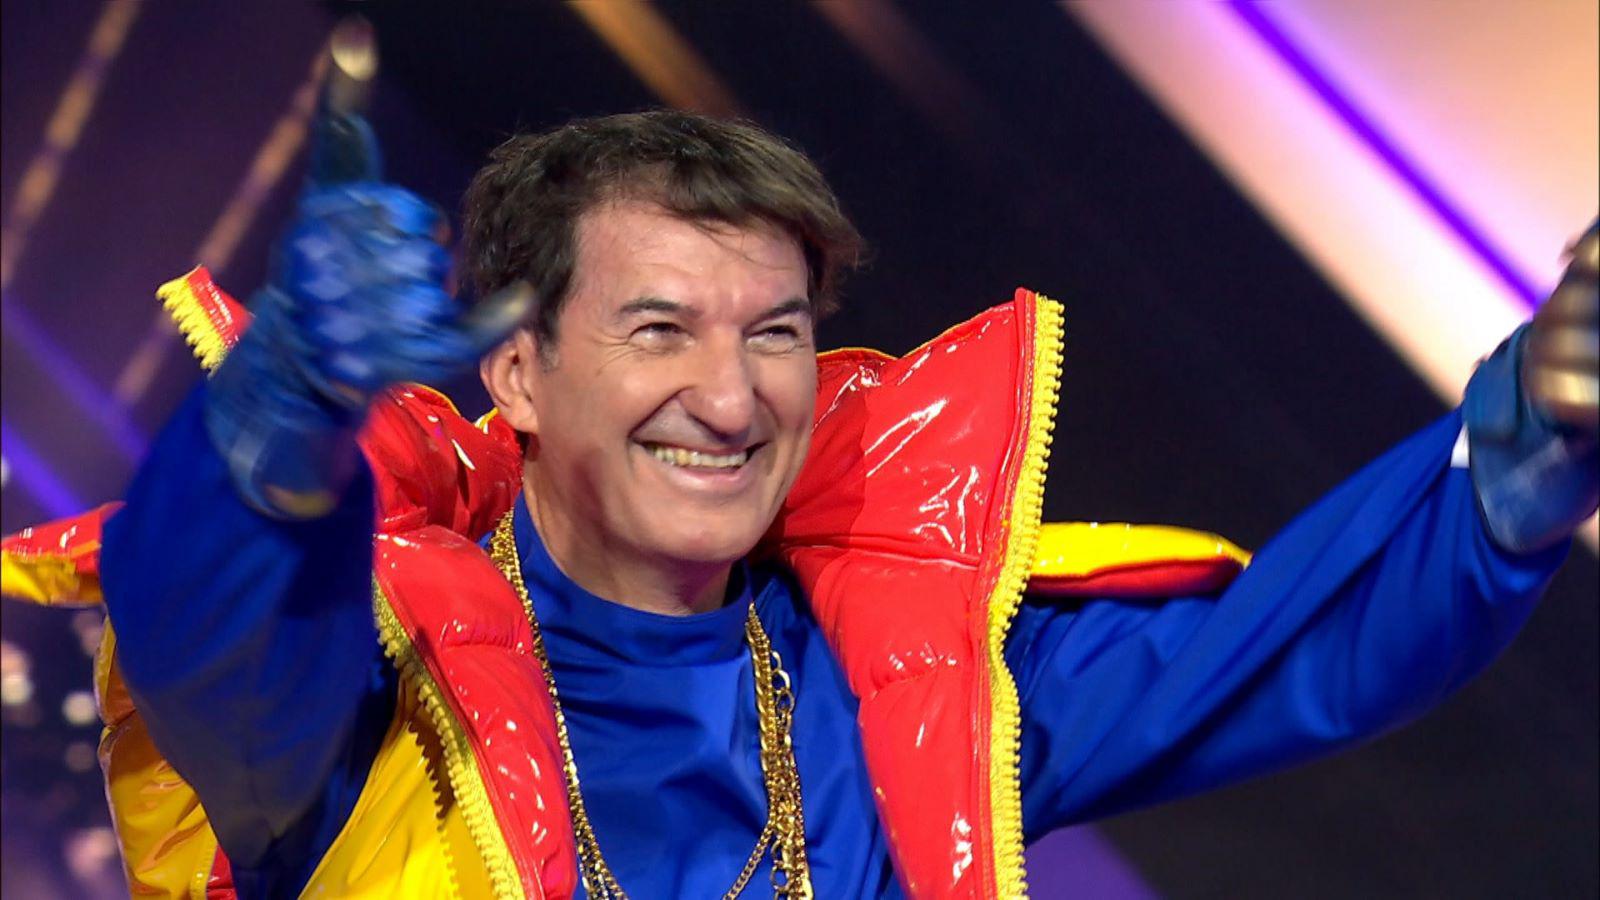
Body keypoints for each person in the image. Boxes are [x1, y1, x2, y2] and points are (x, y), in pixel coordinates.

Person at [2, 102, 1596, 899]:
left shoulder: (912, 675)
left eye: (773, 332)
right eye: (659, 330)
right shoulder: (364, 678)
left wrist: (1533, 430)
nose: (733, 395)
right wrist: (281, 404)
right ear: (517, 376)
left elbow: (1297, 648)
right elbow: (203, 620)